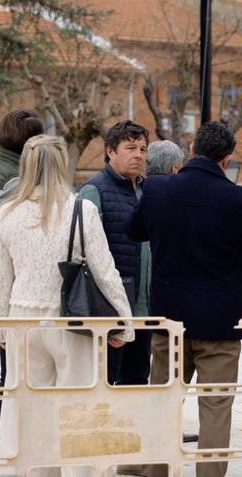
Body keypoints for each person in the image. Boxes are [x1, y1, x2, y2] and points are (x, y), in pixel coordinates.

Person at [127, 120, 242, 477]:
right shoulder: (240, 199)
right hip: (219, 323)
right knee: (215, 411)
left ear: (191, 148)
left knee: (162, 404)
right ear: (227, 158)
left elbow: (134, 229)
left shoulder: (157, 189)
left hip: (168, 320)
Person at [0, 135, 134, 477]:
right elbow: (104, 271)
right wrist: (124, 324)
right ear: (61, 165)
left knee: (25, 417)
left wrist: (1, 328)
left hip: (23, 322)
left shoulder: (6, 213)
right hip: (71, 324)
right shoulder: (79, 210)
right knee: (79, 419)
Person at [0, 108, 45, 451]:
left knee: (11, 372)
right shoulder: (13, 180)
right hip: (9, 289)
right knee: (14, 374)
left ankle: (5, 447)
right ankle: (5, 448)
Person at [77, 120, 151, 387]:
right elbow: (83, 253)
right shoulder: (93, 190)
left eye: (143, 149)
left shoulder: (148, 191)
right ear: (110, 151)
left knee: (137, 382)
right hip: (110, 311)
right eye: (130, 148)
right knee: (107, 383)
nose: (138, 155)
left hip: (144, 309)